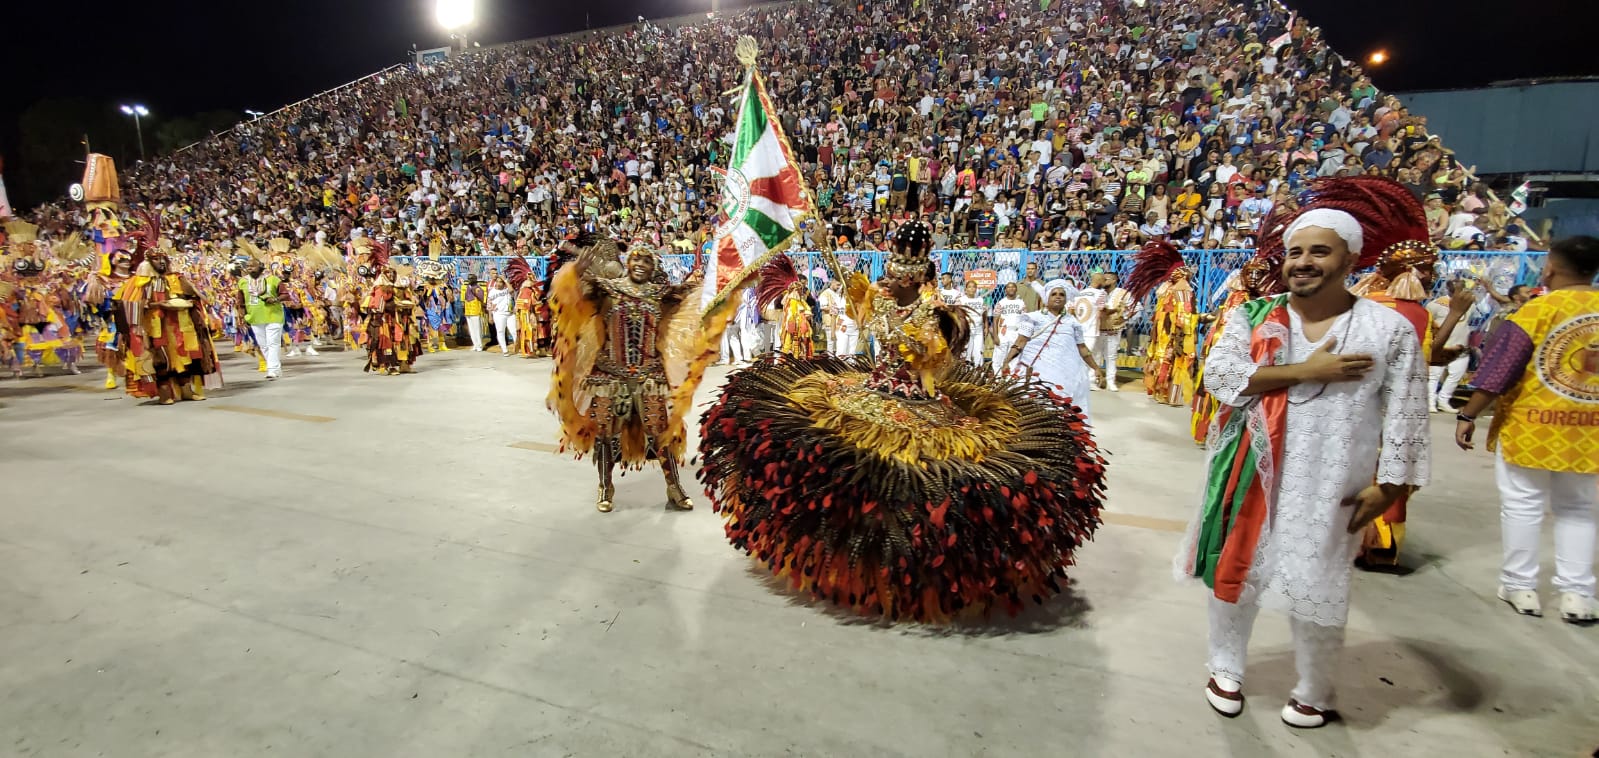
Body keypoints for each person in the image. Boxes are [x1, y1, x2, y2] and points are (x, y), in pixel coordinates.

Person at [698, 220, 1108, 622]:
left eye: (894, 277)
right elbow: (860, 308)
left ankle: (903, 563)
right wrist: (825, 249)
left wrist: (899, 333)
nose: (886, 282)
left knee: (912, 473)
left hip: (916, 398)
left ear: (913, 280)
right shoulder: (884, 299)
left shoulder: (933, 314)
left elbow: (933, 359)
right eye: (887, 275)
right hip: (871, 388)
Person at [1176, 179, 1431, 729]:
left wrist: (1390, 486)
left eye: (1319, 251)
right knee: (1236, 569)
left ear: (1351, 258)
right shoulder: (1254, 316)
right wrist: (1304, 371)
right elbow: (1220, 376)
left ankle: (1314, 687)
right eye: (1295, 252)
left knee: (1322, 582)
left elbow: (1410, 412)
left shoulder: (1386, 329)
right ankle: (1225, 667)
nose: (1303, 262)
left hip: (1333, 479)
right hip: (1249, 472)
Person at [1453, 235, 1599, 624]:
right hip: (1590, 431)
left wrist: (1468, 415)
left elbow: (1501, 370)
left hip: (1533, 427)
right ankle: (1579, 594)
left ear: (1549, 268)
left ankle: (1521, 586)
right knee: (1580, 509)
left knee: (1522, 504)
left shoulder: (1536, 311)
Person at [546, 234, 702, 513]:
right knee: (604, 433)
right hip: (609, 376)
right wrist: (576, 272)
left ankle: (674, 487)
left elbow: (695, 296)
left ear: (653, 266)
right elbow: (568, 298)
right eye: (636, 259)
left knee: (661, 433)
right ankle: (606, 487)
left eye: (647, 260)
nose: (641, 264)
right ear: (628, 262)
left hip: (649, 376)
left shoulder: (659, 293)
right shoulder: (608, 289)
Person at [117, 246, 223, 404]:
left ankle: (187, 390)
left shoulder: (176, 278)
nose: (161, 262)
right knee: (160, 359)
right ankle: (165, 392)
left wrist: (189, 302)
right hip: (155, 327)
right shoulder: (140, 282)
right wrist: (157, 305)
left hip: (181, 325)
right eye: (156, 259)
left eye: (163, 259)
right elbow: (131, 306)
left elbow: (197, 297)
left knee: (186, 357)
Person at [1000, 279, 1106, 422]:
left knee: (1063, 409)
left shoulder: (1072, 322)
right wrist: (1006, 361)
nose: (1058, 297)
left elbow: (1082, 348)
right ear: (1047, 299)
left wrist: (1096, 368)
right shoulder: (1033, 318)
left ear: (1065, 299)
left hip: (1066, 374)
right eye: (1054, 294)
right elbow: (1020, 342)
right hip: (1037, 371)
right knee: (1035, 407)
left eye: (1061, 295)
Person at [1128, 241, 1198, 406]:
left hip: (1175, 332)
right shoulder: (1170, 289)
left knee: (1176, 360)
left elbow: (1184, 313)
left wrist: (1181, 332)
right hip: (1163, 333)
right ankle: (1160, 391)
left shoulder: (1182, 289)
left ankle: (1170, 395)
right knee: (1163, 359)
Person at [1426, 279, 1473, 412]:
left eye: (1461, 287)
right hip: (1441, 347)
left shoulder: (1470, 304)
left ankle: (1443, 400)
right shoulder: (1435, 304)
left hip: (1461, 347)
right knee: (1434, 376)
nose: (1459, 290)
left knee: (1455, 376)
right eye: (1456, 287)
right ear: (1448, 288)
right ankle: (1430, 401)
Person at [238, 258, 286, 381]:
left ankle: (272, 370)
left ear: (260, 267)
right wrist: (243, 316)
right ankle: (276, 368)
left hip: (273, 316)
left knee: (273, 343)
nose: (249, 268)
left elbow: (285, 294)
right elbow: (241, 302)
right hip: (254, 317)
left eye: (252, 266)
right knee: (263, 345)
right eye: (248, 266)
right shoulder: (243, 282)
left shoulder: (273, 279)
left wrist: (275, 299)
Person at [1095, 271, 1135, 391]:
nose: (1103, 281)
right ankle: (1095, 380)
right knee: (1096, 355)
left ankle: (1111, 381)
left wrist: (1123, 318)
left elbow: (1135, 307)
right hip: (1097, 329)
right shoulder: (1098, 293)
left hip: (1113, 330)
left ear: (1113, 280)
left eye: (1106, 279)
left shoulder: (1123, 293)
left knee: (1111, 357)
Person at [990, 281, 1027, 372]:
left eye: (1013, 287)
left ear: (1016, 289)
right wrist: (995, 336)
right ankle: (997, 377)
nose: (1011, 289)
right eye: (1008, 287)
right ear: (1005, 290)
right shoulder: (1001, 303)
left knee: (1014, 356)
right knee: (999, 355)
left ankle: (1010, 379)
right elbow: (995, 320)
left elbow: (1024, 319)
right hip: (1004, 331)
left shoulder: (1021, 303)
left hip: (1016, 332)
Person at [956, 279, 987, 366]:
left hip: (978, 329)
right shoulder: (961, 300)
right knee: (967, 349)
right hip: (967, 329)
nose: (972, 289)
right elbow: (957, 315)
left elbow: (984, 314)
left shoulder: (980, 300)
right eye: (969, 287)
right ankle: (966, 369)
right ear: (965, 289)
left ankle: (978, 368)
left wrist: (986, 326)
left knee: (978, 349)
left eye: (974, 287)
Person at [488, 274, 515, 356]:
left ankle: (518, 347)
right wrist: (490, 316)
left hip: (509, 313)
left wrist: (506, 280)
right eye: (497, 281)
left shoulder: (507, 289)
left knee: (514, 331)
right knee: (500, 331)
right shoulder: (492, 292)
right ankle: (504, 350)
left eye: (501, 282)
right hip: (499, 314)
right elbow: (489, 305)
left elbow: (512, 291)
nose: (498, 283)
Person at [461, 274, 486, 351]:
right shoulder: (467, 287)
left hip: (475, 310)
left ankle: (479, 345)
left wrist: (474, 290)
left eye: (471, 278)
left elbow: (481, 297)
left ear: (475, 279)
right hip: (468, 310)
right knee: (471, 329)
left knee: (477, 328)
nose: (470, 280)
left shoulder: (477, 288)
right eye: (469, 278)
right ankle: (475, 344)